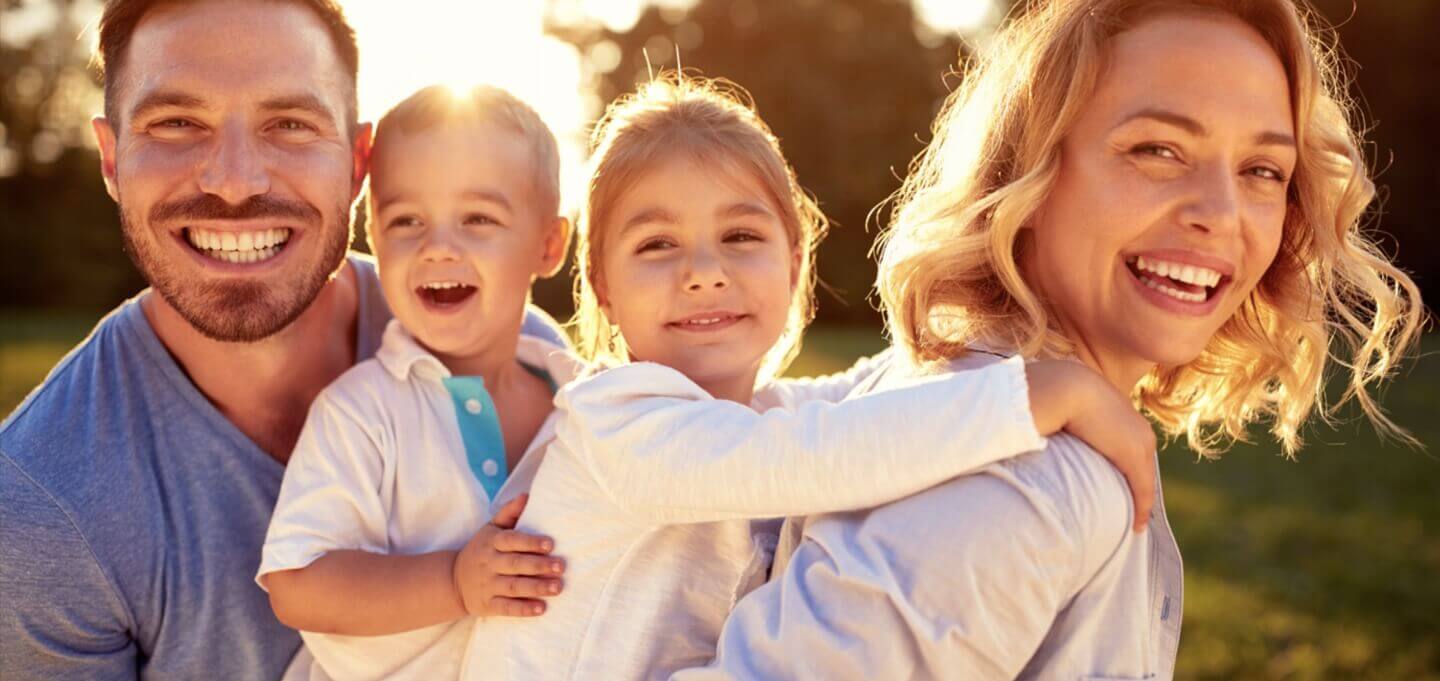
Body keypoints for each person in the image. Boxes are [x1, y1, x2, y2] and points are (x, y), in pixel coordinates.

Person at [678, 0, 1424, 679]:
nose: (1221, 212)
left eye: (1263, 169)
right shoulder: (1024, 481)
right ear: (1029, 171)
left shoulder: (928, 386)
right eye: (1157, 150)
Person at [462, 74, 1158, 681]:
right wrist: (1040, 396)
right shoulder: (618, 420)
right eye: (657, 244)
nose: (704, 269)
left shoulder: (753, 411)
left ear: (795, 263)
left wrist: (994, 337)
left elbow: (860, 392)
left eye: (740, 236)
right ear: (603, 287)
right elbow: (822, 449)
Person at [0, 3, 563, 680]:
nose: (236, 180)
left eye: (290, 124)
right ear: (113, 157)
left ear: (359, 162)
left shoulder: (503, 340)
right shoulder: (41, 507)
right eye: (177, 123)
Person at [255, 84, 579, 681]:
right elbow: (297, 585)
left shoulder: (584, 406)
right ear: (372, 239)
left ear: (548, 244)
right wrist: (454, 581)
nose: (437, 247)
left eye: (478, 218)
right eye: (407, 220)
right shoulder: (363, 412)